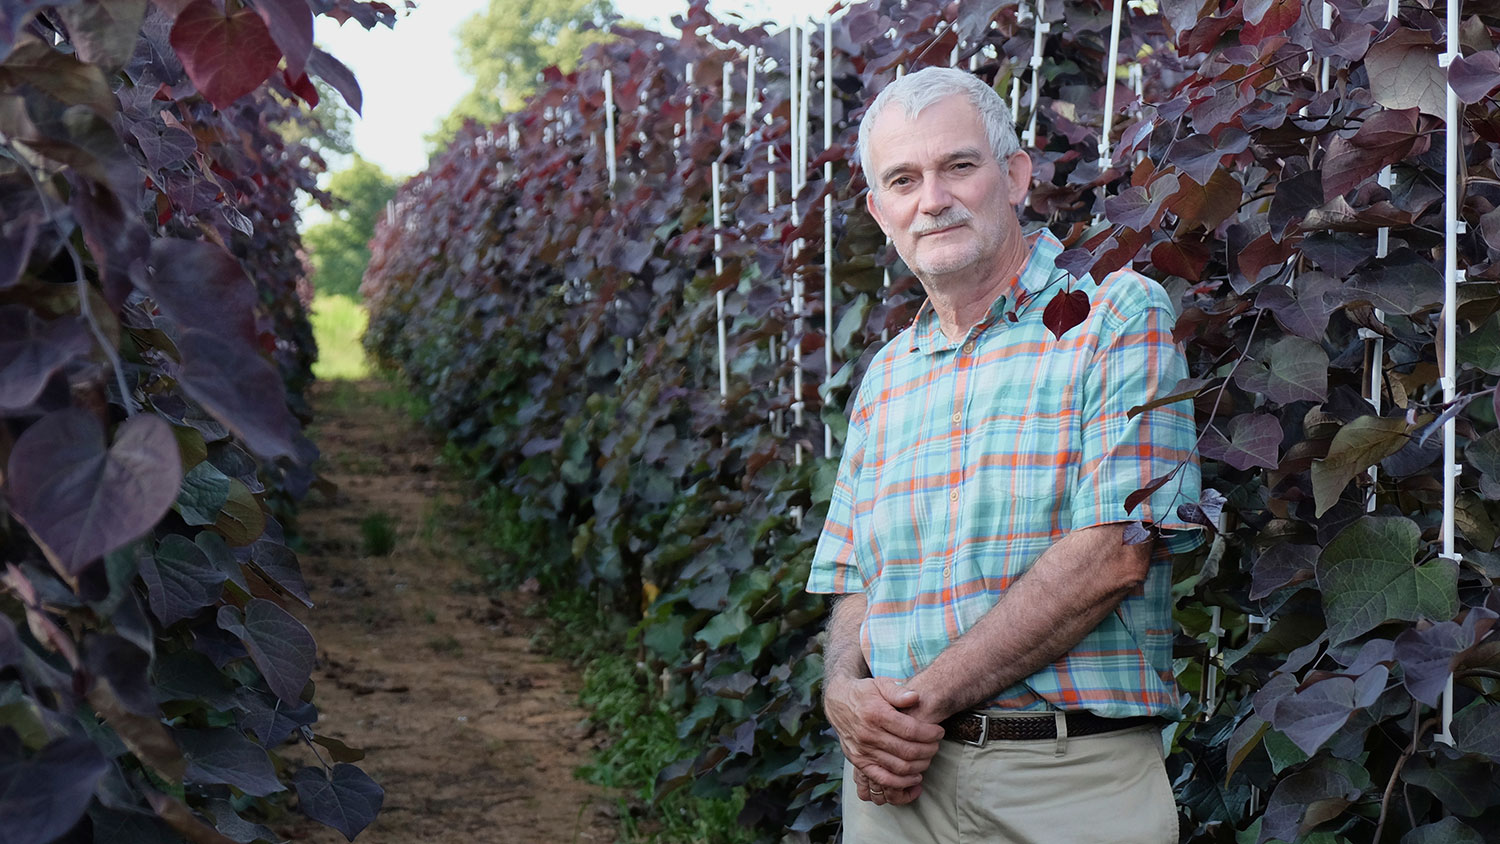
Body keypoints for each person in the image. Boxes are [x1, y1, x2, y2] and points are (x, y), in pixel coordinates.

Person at [806, 66, 1205, 843]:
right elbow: (857, 579)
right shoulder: (889, 374)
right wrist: (842, 696)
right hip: (895, 794)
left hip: (1066, 789)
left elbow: (1113, 555)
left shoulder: (1114, 314)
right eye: (903, 179)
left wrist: (917, 706)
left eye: (959, 165)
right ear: (880, 211)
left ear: (1015, 176)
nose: (933, 198)